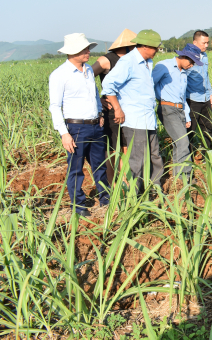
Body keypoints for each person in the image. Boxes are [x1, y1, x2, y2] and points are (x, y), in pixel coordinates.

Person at [48, 33, 109, 217]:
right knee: (76, 168)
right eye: (84, 49)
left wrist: (99, 113)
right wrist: (64, 133)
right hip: (76, 128)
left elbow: (94, 95)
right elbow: (55, 106)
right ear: (72, 52)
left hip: (95, 126)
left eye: (87, 48)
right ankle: (79, 205)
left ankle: (105, 199)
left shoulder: (89, 69)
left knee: (100, 165)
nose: (88, 51)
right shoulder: (59, 74)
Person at [102, 29, 164, 193]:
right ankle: (135, 195)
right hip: (135, 119)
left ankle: (154, 188)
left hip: (148, 118)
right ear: (144, 46)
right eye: (155, 48)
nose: (157, 51)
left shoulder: (147, 63)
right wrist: (117, 109)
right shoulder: (127, 62)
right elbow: (108, 85)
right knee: (137, 160)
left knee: (154, 155)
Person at [152, 44, 202, 181]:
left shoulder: (184, 73)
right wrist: (158, 99)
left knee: (177, 143)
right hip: (167, 108)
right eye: (191, 62)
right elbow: (150, 84)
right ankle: (185, 178)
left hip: (179, 109)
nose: (192, 65)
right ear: (183, 56)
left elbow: (182, 95)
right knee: (182, 142)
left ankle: (178, 177)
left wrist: (186, 115)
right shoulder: (164, 66)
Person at [92, 28, 136, 182]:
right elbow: (86, 80)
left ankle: (127, 180)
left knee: (126, 145)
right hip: (112, 111)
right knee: (113, 148)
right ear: (127, 46)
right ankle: (115, 183)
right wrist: (99, 99)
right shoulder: (107, 60)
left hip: (129, 109)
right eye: (135, 46)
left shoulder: (132, 60)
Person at [186, 30, 212, 150]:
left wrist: (210, 93)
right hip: (192, 99)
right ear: (195, 42)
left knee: (208, 127)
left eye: (208, 43)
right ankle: (189, 157)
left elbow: (206, 76)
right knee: (190, 129)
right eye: (204, 43)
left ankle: (208, 155)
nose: (206, 45)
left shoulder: (205, 56)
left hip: (205, 97)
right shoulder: (187, 56)